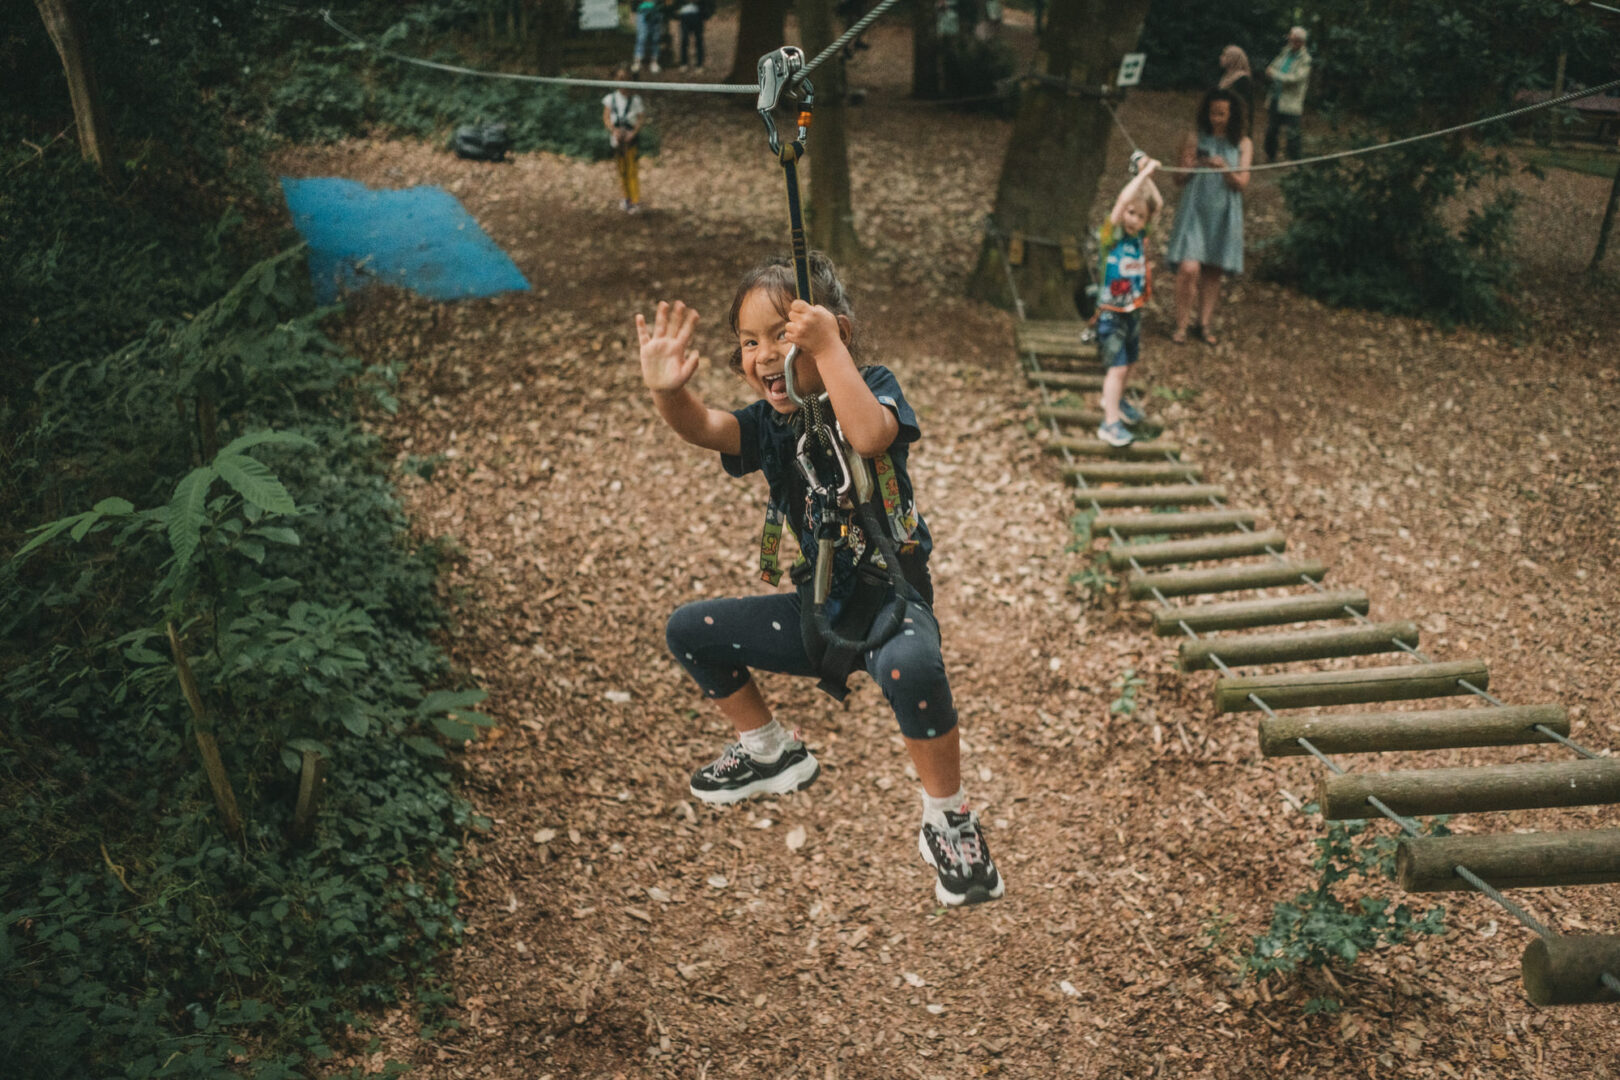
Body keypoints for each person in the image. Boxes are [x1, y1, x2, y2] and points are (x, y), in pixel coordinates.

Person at [634, 252, 1004, 908]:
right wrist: (669, 392)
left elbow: (867, 437)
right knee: (691, 631)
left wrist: (828, 349)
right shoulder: (766, 425)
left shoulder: (874, 387)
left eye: (783, 333)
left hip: (893, 605)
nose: (764, 354)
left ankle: (948, 819)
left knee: (915, 669)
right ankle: (769, 749)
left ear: (835, 334)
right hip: (819, 613)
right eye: (750, 342)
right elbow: (706, 428)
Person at [1165, 88, 1251, 346]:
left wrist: (1225, 168)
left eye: (1222, 114)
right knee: (1189, 268)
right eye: (1213, 113)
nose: (1217, 118)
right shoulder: (1195, 137)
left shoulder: (1243, 144)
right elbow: (1178, 179)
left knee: (1213, 270)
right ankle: (1180, 325)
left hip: (1223, 210)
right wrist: (1188, 167)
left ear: (1232, 115)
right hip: (1195, 209)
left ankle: (1203, 324)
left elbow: (1242, 182)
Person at [1093, 157, 1164, 448]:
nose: (1133, 219)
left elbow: (1157, 204)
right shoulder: (1111, 236)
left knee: (1131, 362)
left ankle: (1116, 401)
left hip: (1133, 312)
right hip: (1111, 314)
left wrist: (1148, 175)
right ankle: (1109, 423)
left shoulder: (1141, 239)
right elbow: (1123, 201)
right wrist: (1142, 174)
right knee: (1118, 367)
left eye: (1139, 216)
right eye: (1131, 213)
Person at [1264, 26, 1311, 162]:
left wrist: (1275, 75)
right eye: (1290, 39)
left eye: (1294, 40)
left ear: (1301, 42)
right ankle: (1270, 156)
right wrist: (1271, 72)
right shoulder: (1285, 52)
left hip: (1291, 103)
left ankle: (1295, 159)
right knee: (1272, 130)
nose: (1290, 42)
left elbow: (1296, 78)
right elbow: (1273, 66)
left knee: (1293, 134)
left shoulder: (1305, 60)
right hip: (1276, 98)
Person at [602, 68, 647, 213]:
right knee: (621, 169)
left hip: (630, 137)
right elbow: (606, 118)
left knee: (632, 169)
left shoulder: (635, 100)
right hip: (617, 136)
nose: (623, 82)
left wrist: (633, 133)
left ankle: (635, 200)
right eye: (620, 79)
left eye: (626, 79)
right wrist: (613, 130)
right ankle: (625, 197)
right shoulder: (611, 99)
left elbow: (640, 118)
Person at [1218, 45, 1255, 138]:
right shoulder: (1227, 76)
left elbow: (1244, 105)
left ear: (1233, 59)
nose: (1221, 58)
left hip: (1235, 122)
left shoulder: (1242, 79)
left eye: (1225, 55)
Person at [676, 1, 709, 71]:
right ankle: (684, 63)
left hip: (697, 14)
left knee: (699, 40)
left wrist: (706, 13)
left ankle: (699, 65)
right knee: (684, 40)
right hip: (684, 14)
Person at [632, 0, 663, 74]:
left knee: (655, 38)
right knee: (642, 36)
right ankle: (637, 62)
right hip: (642, 11)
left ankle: (654, 62)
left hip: (657, 10)